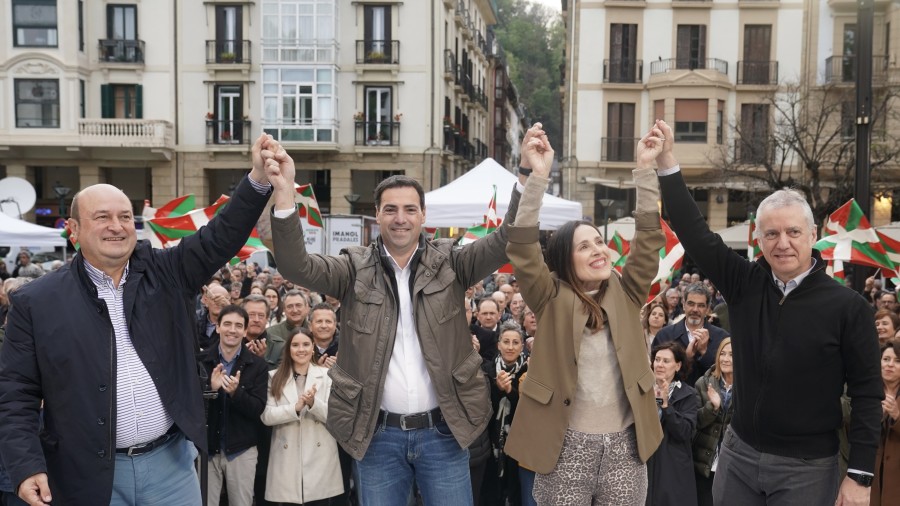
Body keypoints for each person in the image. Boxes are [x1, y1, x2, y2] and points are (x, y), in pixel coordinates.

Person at [0, 134, 275, 505]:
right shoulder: (36, 302)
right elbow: (16, 395)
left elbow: (220, 237)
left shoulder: (168, 272)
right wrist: (26, 465)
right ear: (74, 229)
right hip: (86, 477)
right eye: (102, 217)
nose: (117, 226)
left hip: (170, 469)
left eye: (125, 216)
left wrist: (257, 179)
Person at [264, 142, 522, 505]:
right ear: (378, 215)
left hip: (444, 434)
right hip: (377, 437)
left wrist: (527, 178)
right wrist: (285, 193)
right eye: (390, 210)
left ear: (422, 215)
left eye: (409, 209)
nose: (400, 218)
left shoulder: (452, 263)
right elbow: (295, 266)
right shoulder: (351, 268)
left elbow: (506, 239)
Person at [652, 118, 883, 505]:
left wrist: (859, 475)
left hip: (807, 467)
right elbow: (695, 232)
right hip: (739, 455)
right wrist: (667, 162)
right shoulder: (744, 284)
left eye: (793, 232)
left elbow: (866, 394)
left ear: (812, 236)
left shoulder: (849, 307)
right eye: (771, 234)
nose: (783, 243)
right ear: (758, 239)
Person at [504, 123, 664, 504]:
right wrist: (537, 178)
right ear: (564, 259)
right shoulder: (548, 296)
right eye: (584, 247)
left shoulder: (627, 291)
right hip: (564, 444)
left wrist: (644, 171)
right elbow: (522, 245)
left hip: (626, 445)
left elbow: (647, 242)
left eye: (599, 242)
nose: (598, 250)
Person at [260, 327, 345, 505]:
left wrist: (314, 404)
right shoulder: (274, 377)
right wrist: (295, 408)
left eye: (306, 344)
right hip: (286, 460)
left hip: (320, 459)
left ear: (313, 347)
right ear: (288, 349)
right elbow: (266, 416)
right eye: (296, 345)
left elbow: (335, 417)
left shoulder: (327, 376)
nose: (301, 349)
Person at [200, 305, 268, 506]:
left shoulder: (258, 365)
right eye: (227, 324)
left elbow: (258, 409)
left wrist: (235, 394)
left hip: (241, 450)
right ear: (218, 327)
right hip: (207, 449)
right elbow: (192, 408)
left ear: (245, 331)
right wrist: (211, 390)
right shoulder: (202, 361)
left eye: (238, 326)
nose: (232, 330)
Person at [480, 322, 528, 505]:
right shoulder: (487, 370)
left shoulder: (530, 370)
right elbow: (483, 408)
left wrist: (510, 392)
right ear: (498, 344)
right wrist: (498, 389)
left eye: (515, 342)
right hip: (491, 442)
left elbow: (528, 411)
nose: (510, 347)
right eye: (506, 341)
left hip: (519, 444)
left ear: (522, 346)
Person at [646, 341, 699, 506]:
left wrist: (666, 406)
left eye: (666, 361)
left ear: (678, 366)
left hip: (672, 467)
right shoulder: (642, 390)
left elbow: (684, 432)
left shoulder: (688, 394)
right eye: (657, 360)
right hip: (644, 462)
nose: (660, 365)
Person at [652, 283, 729, 385]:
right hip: (672, 398)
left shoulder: (722, 337)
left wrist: (705, 353)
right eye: (691, 304)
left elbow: (726, 377)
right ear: (684, 305)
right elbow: (655, 372)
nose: (695, 309)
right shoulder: (665, 335)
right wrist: (686, 357)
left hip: (709, 399)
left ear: (707, 309)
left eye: (701, 305)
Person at [692, 338, 734, 506]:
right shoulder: (703, 383)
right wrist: (712, 407)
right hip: (704, 464)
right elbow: (695, 422)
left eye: (731, 355)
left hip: (733, 464)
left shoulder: (748, 387)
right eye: (722, 354)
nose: (725, 359)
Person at [871, 341, 900, 506]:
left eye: (897, 361)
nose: (890, 365)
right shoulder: (867, 392)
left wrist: (897, 416)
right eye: (886, 359)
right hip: (870, 475)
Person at [265, 290, 310, 369]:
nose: (295, 310)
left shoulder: (315, 331)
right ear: (284, 310)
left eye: (298, 305)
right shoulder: (271, 333)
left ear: (307, 308)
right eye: (289, 306)